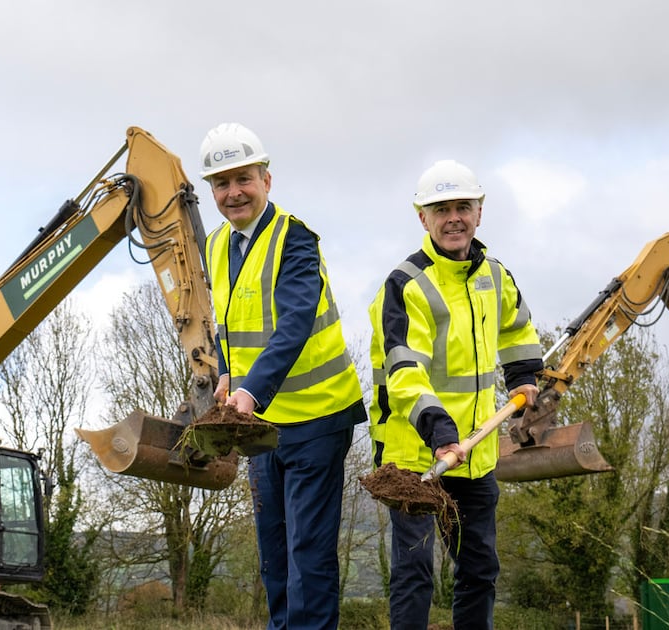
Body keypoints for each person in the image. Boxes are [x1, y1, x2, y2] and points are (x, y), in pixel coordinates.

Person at [198, 122, 367, 630]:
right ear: (211, 192)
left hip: (316, 419)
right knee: (275, 555)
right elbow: (229, 323)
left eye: (243, 179)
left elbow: (293, 324)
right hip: (264, 426)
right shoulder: (214, 247)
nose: (233, 193)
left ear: (266, 180)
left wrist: (250, 391)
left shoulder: (295, 239)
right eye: (222, 184)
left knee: (307, 556)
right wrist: (228, 375)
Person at [368, 159, 544, 629]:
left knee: (480, 570)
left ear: (480, 211)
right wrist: (440, 432)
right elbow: (405, 370)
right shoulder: (406, 284)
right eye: (440, 209)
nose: (453, 218)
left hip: (476, 453)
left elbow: (517, 330)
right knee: (414, 572)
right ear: (421, 217)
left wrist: (524, 375)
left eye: (463, 206)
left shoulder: (496, 277)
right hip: (417, 457)